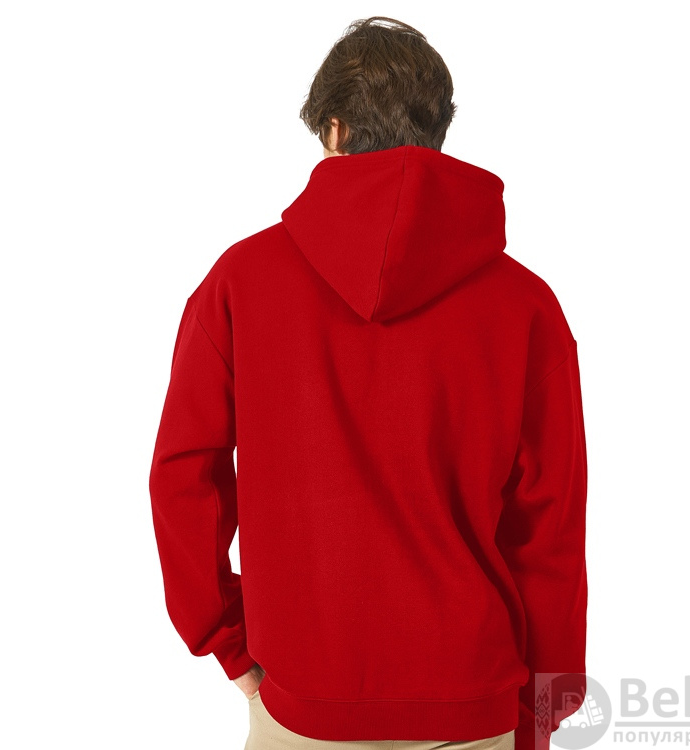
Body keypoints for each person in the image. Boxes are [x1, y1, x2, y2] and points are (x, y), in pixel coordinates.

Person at [148, 16, 588, 750]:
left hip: (303, 702)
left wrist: (225, 641)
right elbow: (551, 525)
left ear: (334, 129)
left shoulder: (240, 283)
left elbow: (182, 477)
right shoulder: (526, 306)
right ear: (438, 131)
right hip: (472, 700)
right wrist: (545, 705)